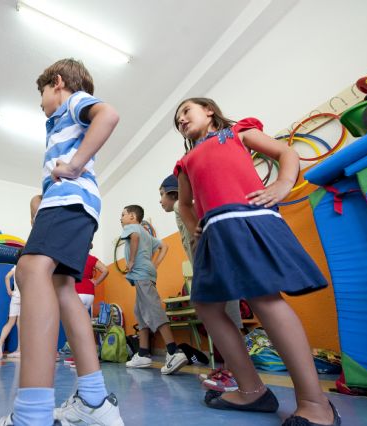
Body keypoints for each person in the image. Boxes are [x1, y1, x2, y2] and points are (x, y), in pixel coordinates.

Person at [173, 97, 340, 426]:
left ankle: (314, 402)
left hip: (246, 218)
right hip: (215, 232)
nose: (180, 119)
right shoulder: (185, 161)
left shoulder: (236, 131)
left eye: (185, 111)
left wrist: (282, 184)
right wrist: (197, 230)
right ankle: (252, 390)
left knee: (263, 297)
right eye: (176, 119)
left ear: (209, 110)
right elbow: (184, 204)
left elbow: (286, 153)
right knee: (207, 306)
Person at [0, 58, 122, 426]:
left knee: (30, 269)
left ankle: (32, 415)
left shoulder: (73, 102)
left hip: (70, 200)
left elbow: (109, 115)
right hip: (77, 205)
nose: (42, 104)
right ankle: (95, 402)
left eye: (42, 95)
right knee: (62, 287)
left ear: (58, 83)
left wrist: (76, 164)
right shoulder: (60, 122)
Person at [159, 174, 242, 392]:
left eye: (161, 195)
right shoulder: (181, 208)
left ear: (172, 193)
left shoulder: (180, 205)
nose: (160, 201)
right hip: (211, 267)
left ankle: (235, 374)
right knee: (223, 322)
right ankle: (228, 369)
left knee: (228, 321)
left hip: (213, 268)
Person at [119, 204, 188, 375]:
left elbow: (133, 237)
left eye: (123, 215)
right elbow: (164, 246)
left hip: (141, 273)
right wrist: (154, 265)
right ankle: (143, 353)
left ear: (133, 217)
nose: (120, 219)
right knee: (140, 311)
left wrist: (132, 260)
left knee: (152, 308)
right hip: (146, 273)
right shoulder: (147, 234)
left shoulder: (133, 228)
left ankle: (173, 351)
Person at [64, 246, 108, 366]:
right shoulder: (92, 259)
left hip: (77, 292)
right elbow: (105, 270)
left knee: (76, 327)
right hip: (89, 293)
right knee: (84, 324)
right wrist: (96, 282)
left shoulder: (73, 257)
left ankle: (80, 358)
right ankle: (86, 356)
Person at [0, 265, 20, 360]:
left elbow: (7, 277)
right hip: (25, 296)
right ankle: (19, 350)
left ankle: (0, 341)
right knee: (20, 323)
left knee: (10, 322)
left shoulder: (16, 267)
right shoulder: (30, 265)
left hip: (15, 296)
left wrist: (9, 290)